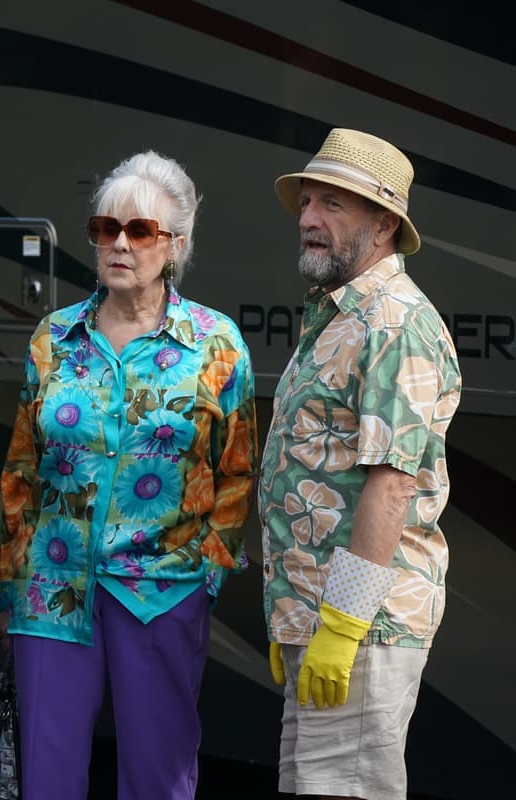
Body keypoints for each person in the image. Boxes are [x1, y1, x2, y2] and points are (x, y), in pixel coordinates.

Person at [0, 151, 258, 800]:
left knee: (158, 775)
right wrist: (11, 583)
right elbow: (21, 467)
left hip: (163, 591)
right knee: (48, 778)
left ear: (176, 245)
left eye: (139, 231)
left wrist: (208, 576)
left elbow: (237, 472)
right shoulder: (53, 338)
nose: (118, 243)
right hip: (52, 588)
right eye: (104, 229)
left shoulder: (216, 343)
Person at [260, 128, 461, 800]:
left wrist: (342, 626)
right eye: (307, 202)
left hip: (361, 631)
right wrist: (294, 614)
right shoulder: (341, 314)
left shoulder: (394, 322)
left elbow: (392, 486)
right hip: (318, 622)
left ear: (384, 224)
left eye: (333, 206)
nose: (309, 219)